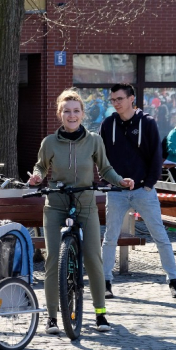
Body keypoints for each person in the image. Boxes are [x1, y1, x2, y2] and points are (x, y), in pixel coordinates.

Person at [28, 88, 134, 335]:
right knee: (54, 258)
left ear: (83, 114)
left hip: (86, 202)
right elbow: (41, 166)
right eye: (67, 111)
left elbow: (105, 169)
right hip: (56, 202)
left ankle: (100, 314)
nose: (72, 115)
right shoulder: (50, 142)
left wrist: (120, 181)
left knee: (93, 258)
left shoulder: (94, 140)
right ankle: (52, 316)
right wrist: (37, 176)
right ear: (60, 114)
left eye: (76, 111)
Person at [98, 83, 176, 299]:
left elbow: (156, 154)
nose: (116, 103)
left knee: (160, 235)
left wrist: (149, 183)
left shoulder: (147, 123)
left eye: (119, 99)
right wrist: (107, 180)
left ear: (131, 99)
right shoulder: (108, 124)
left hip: (143, 191)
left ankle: (173, 280)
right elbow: (101, 156)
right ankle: (105, 281)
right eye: (113, 100)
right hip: (116, 191)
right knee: (110, 238)